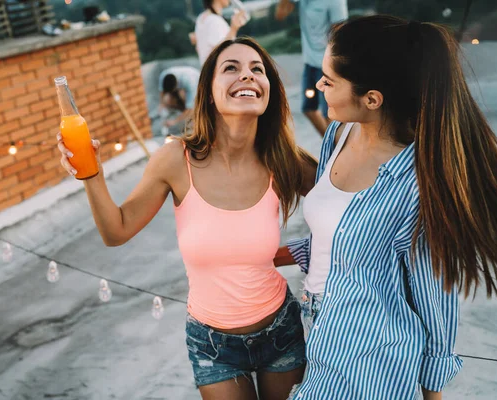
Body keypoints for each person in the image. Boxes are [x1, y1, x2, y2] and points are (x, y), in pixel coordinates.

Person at [57, 37, 318, 400]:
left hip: (280, 330)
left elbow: (348, 215)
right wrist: (92, 176)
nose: (248, 76)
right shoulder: (176, 160)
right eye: (232, 68)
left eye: (257, 69)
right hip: (213, 346)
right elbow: (116, 231)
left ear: (268, 90)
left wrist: (296, 252)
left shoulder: (284, 159)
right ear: (209, 93)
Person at [274, 15, 497, 400]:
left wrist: (433, 391)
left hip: (374, 357)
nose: (318, 86)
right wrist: (272, 255)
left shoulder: (415, 184)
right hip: (319, 329)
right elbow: (341, 240)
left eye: (329, 81)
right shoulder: (339, 132)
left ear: (372, 99)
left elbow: (434, 296)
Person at [275, 0, 348, 136]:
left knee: (331, 115)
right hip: (310, 63)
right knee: (308, 108)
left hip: (327, 65)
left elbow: (341, 34)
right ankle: (332, 147)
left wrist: (335, 66)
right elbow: (280, 15)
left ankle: (339, 150)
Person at [195, 0, 248, 65]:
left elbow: (198, 47)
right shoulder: (214, 21)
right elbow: (219, 51)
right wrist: (234, 28)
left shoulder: (201, 17)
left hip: (208, 70)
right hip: (216, 70)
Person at [158, 66, 200, 131]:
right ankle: (181, 112)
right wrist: (162, 105)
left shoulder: (191, 82)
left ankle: (193, 121)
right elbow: (162, 92)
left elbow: (190, 108)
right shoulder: (163, 76)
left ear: (176, 85)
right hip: (181, 84)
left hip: (198, 82)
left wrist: (174, 121)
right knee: (167, 99)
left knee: (191, 109)